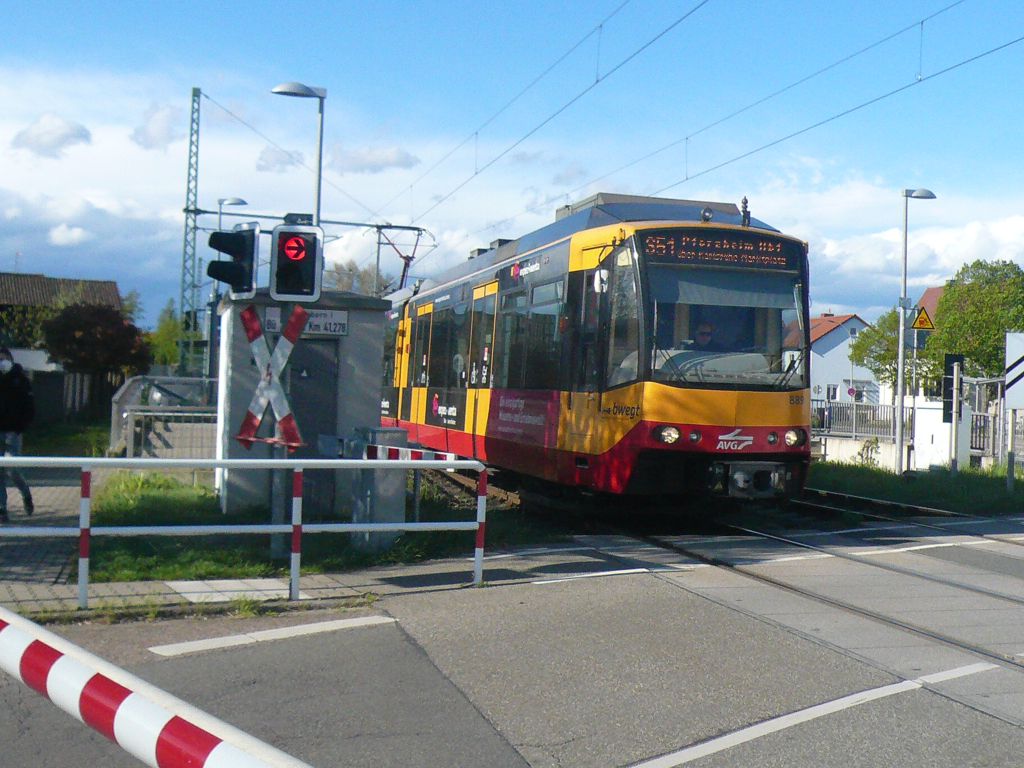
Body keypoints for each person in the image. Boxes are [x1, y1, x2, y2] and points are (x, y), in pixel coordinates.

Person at [0, 347, 34, 522]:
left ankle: (26, 493)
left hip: (13, 431)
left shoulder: (20, 379)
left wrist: (21, 426)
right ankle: (2, 509)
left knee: (12, 469)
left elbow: (29, 406)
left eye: (4, 358)